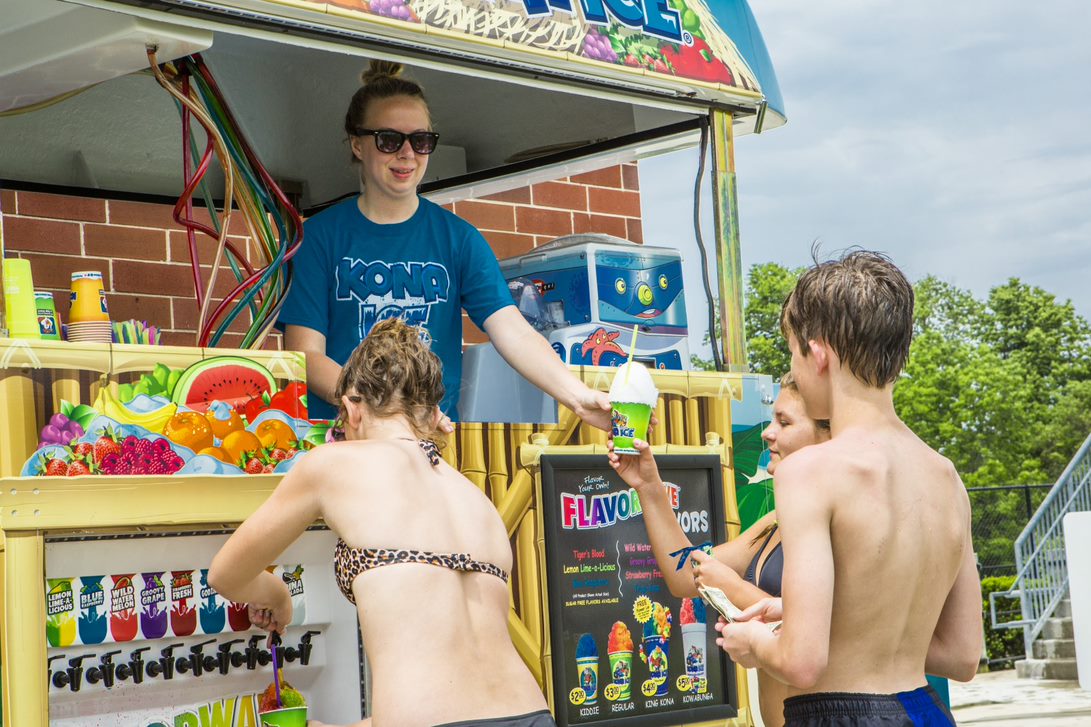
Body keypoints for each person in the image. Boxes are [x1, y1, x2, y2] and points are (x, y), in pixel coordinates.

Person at [208, 318, 556, 727]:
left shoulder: (330, 464)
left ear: (353, 408)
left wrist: (278, 597)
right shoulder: (477, 499)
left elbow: (226, 573)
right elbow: (450, 689)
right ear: (429, 416)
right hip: (530, 712)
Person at [716, 250, 982, 726]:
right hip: (927, 712)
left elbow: (801, 661)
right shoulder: (945, 475)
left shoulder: (811, 471)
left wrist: (751, 641)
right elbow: (962, 654)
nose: (794, 369)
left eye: (793, 353)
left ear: (818, 354)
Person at [278, 60, 610, 430]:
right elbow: (304, 354)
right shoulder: (319, 238)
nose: (407, 154)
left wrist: (579, 397)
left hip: (427, 440)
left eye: (421, 141)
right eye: (389, 140)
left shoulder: (459, 239)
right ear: (357, 143)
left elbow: (513, 332)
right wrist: (371, 409)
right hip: (340, 438)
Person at [607, 373, 831, 727]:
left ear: (827, 434)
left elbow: (830, 637)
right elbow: (684, 575)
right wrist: (648, 484)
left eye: (784, 422)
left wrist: (733, 588)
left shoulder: (841, 521)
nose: (767, 432)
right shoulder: (774, 522)